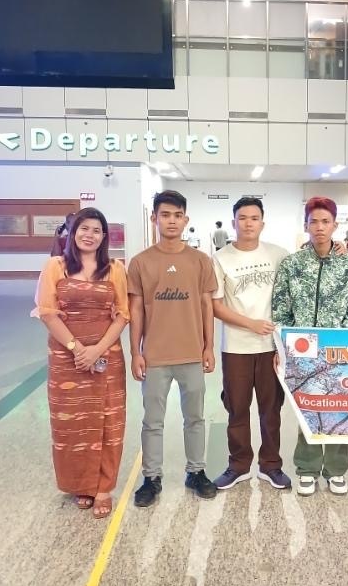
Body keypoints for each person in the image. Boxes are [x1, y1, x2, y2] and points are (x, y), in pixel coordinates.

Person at [32, 207, 129, 519]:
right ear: (73, 233)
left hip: (106, 357)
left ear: (104, 237)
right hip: (66, 358)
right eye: (84, 228)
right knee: (72, 423)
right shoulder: (55, 266)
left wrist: (97, 349)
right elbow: (47, 312)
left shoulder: (115, 269)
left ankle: (103, 488)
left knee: (108, 421)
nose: (90, 235)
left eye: (96, 230)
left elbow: (123, 314)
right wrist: (77, 349)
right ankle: (81, 485)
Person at [272, 196, 348, 496]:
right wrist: (284, 345)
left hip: (339, 350)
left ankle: (337, 469)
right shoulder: (292, 265)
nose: (319, 227)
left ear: (335, 225)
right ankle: (307, 467)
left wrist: (340, 338)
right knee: (308, 407)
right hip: (302, 351)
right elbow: (281, 310)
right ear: (306, 225)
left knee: (340, 408)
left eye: (325, 221)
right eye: (313, 221)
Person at [128, 190, 218, 507]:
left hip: (191, 354)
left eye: (178, 215)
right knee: (152, 421)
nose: (171, 221)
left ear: (185, 219)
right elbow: (136, 309)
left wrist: (209, 347)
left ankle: (196, 472)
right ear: (154, 218)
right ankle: (151, 478)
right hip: (155, 357)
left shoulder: (200, 261)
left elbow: (207, 305)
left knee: (195, 418)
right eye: (165, 215)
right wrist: (135, 352)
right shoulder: (140, 263)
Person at [212, 197, 291, 490]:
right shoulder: (221, 258)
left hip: (272, 347)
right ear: (234, 222)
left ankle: (271, 465)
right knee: (237, 409)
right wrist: (251, 324)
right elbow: (216, 306)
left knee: (271, 410)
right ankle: (238, 465)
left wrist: (338, 248)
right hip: (236, 347)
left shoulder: (279, 255)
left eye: (254, 218)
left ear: (262, 223)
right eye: (242, 218)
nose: (248, 223)